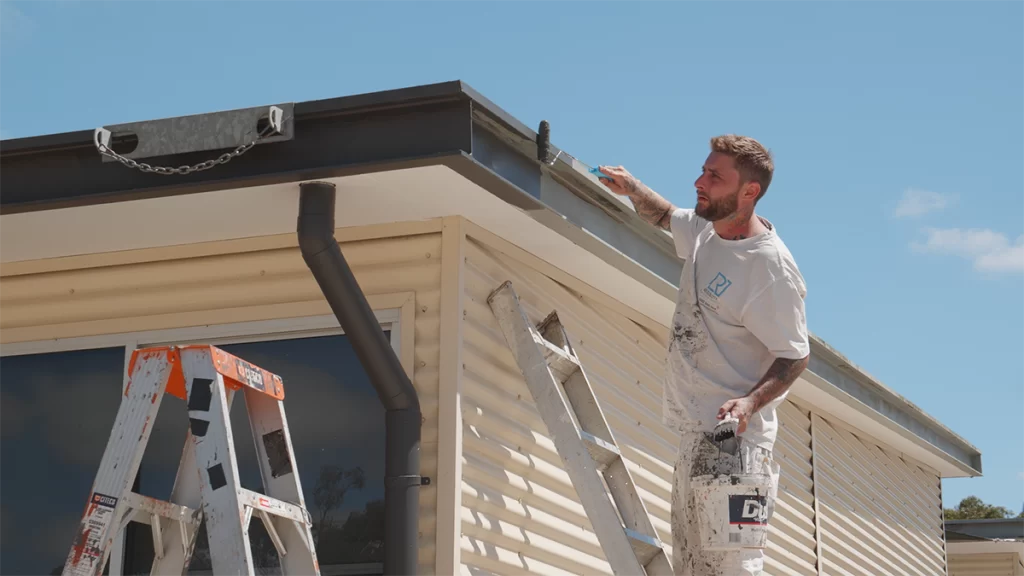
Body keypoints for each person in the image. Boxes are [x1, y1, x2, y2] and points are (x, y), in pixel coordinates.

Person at [597, 134, 810, 576]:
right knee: (692, 568)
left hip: (739, 446)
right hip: (694, 434)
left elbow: (795, 356)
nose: (700, 181)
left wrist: (751, 402)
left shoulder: (769, 268)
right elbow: (664, 216)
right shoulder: (706, 232)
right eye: (703, 170)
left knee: (734, 567)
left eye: (715, 176)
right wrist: (632, 187)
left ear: (748, 191)